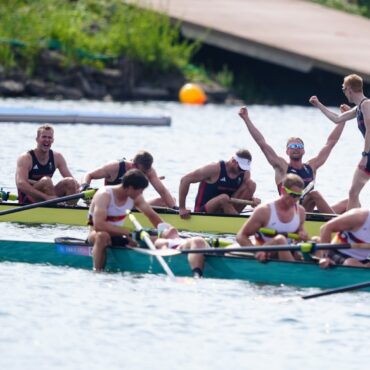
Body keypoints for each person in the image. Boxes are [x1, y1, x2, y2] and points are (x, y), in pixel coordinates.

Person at [238, 105, 346, 213]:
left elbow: (331, 142)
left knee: (348, 202)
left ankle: (346, 223)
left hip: (307, 212)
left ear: (303, 151)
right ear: (287, 151)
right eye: (292, 147)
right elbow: (262, 143)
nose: (296, 149)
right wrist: (246, 119)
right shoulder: (282, 167)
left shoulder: (311, 166)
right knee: (314, 194)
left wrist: (343, 119)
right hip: (290, 212)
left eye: (299, 147)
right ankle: (335, 224)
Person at [310, 73, 370, 211]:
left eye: (343, 88)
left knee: (353, 193)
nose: (343, 92)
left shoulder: (367, 104)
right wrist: (318, 104)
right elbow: (337, 119)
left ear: (349, 89)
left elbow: (369, 130)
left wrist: (365, 155)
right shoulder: (359, 107)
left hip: (368, 156)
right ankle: (354, 225)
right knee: (353, 193)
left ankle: (352, 227)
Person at [87, 169, 163, 271]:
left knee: (154, 237)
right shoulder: (104, 195)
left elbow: (152, 216)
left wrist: (166, 231)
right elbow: (99, 226)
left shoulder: (135, 197)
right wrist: (129, 233)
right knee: (103, 235)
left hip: (120, 235)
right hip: (96, 235)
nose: (141, 193)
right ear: (130, 188)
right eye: (140, 190)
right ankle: (98, 270)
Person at [236, 174, 308, 262]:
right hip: (265, 251)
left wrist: (302, 234)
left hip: (286, 251)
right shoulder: (264, 211)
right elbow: (241, 236)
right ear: (283, 190)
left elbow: (299, 234)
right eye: (292, 195)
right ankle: (292, 272)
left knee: (316, 240)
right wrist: (256, 252)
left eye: (299, 195)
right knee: (280, 239)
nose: (295, 199)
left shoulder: (300, 212)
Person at [178, 149, 260, 218]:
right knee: (223, 198)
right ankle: (240, 223)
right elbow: (185, 180)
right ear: (233, 161)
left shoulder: (245, 173)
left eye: (245, 169)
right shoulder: (214, 169)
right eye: (241, 168)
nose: (242, 171)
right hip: (204, 210)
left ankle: (236, 219)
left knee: (251, 184)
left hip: (228, 208)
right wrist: (182, 208)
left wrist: (252, 199)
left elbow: (243, 192)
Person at [80, 150, 176, 208]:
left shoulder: (149, 171)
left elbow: (163, 191)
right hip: (111, 204)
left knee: (170, 200)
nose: (145, 174)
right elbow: (88, 175)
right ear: (134, 165)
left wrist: (176, 208)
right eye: (143, 172)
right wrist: (84, 185)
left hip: (133, 205)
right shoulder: (114, 167)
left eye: (147, 172)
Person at [15, 124, 79, 203]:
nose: (47, 140)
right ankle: (55, 205)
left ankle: (70, 211)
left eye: (49, 137)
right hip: (28, 198)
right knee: (46, 181)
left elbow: (75, 184)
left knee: (70, 182)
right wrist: (46, 197)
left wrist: (83, 190)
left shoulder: (57, 157)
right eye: (44, 137)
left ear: (53, 140)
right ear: (37, 139)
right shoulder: (25, 158)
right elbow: (21, 184)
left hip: (48, 196)